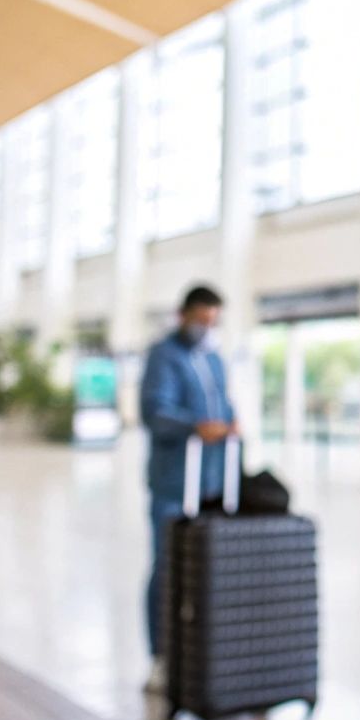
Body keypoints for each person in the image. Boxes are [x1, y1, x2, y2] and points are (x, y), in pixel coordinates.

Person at [139, 284, 236, 692]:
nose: (206, 328)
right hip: (175, 482)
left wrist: (231, 426)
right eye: (201, 320)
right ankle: (161, 658)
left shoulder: (213, 359)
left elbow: (224, 407)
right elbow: (154, 412)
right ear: (184, 315)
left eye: (213, 321)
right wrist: (194, 427)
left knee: (209, 568)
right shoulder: (164, 356)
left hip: (213, 481)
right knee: (167, 568)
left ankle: (204, 653)